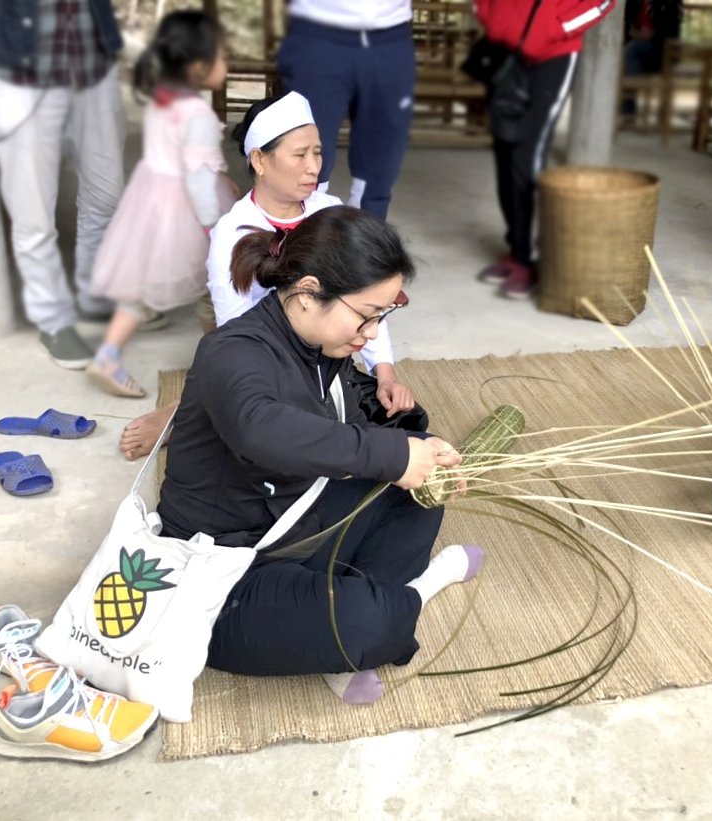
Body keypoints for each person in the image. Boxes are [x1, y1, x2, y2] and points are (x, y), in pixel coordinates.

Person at [157, 205, 482, 703]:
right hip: (222, 580)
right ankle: (417, 591)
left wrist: (414, 441)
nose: (371, 334)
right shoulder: (233, 351)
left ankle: (338, 624)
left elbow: (351, 431)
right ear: (308, 293)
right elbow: (260, 428)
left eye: (382, 316)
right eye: (367, 316)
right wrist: (392, 454)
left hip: (296, 526)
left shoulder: (321, 350)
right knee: (367, 625)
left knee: (417, 491)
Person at [119, 92, 416, 460]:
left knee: (396, 421)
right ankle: (184, 413)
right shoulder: (233, 233)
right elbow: (236, 332)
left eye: (318, 152)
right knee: (268, 424)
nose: (314, 167)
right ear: (259, 159)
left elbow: (366, 300)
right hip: (268, 354)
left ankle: (197, 406)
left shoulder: (330, 211)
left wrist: (385, 373)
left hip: (322, 348)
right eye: (299, 154)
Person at [0, 0, 126, 368]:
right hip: (14, 67)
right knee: (33, 209)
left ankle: (94, 292)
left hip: (91, 58)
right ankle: (53, 321)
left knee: (107, 194)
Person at [87, 11, 235, 398]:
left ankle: (108, 354)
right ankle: (221, 361)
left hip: (150, 203)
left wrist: (222, 181)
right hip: (188, 213)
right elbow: (199, 181)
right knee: (213, 284)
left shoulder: (163, 98)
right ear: (199, 66)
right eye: (222, 56)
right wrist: (215, 230)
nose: (227, 63)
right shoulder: (198, 114)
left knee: (140, 288)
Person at [473, 0, 616, 299]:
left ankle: (532, 259)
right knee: (504, 150)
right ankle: (517, 250)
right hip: (506, 51)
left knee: (528, 157)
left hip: (554, 56)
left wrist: (555, 28)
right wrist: (490, 17)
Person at [275, 0, 415, 218]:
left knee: (381, 160)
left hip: (390, 36)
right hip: (316, 32)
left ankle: (366, 232)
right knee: (301, 149)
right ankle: (301, 232)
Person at [621, 0, 683, 117]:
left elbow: (671, 31)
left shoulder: (670, 3)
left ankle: (627, 108)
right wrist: (633, 34)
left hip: (660, 51)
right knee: (631, 58)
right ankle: (627, 109)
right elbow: (627, 23)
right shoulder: (634, 2)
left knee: (632, 50)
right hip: (635, 49)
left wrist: (651, 36)